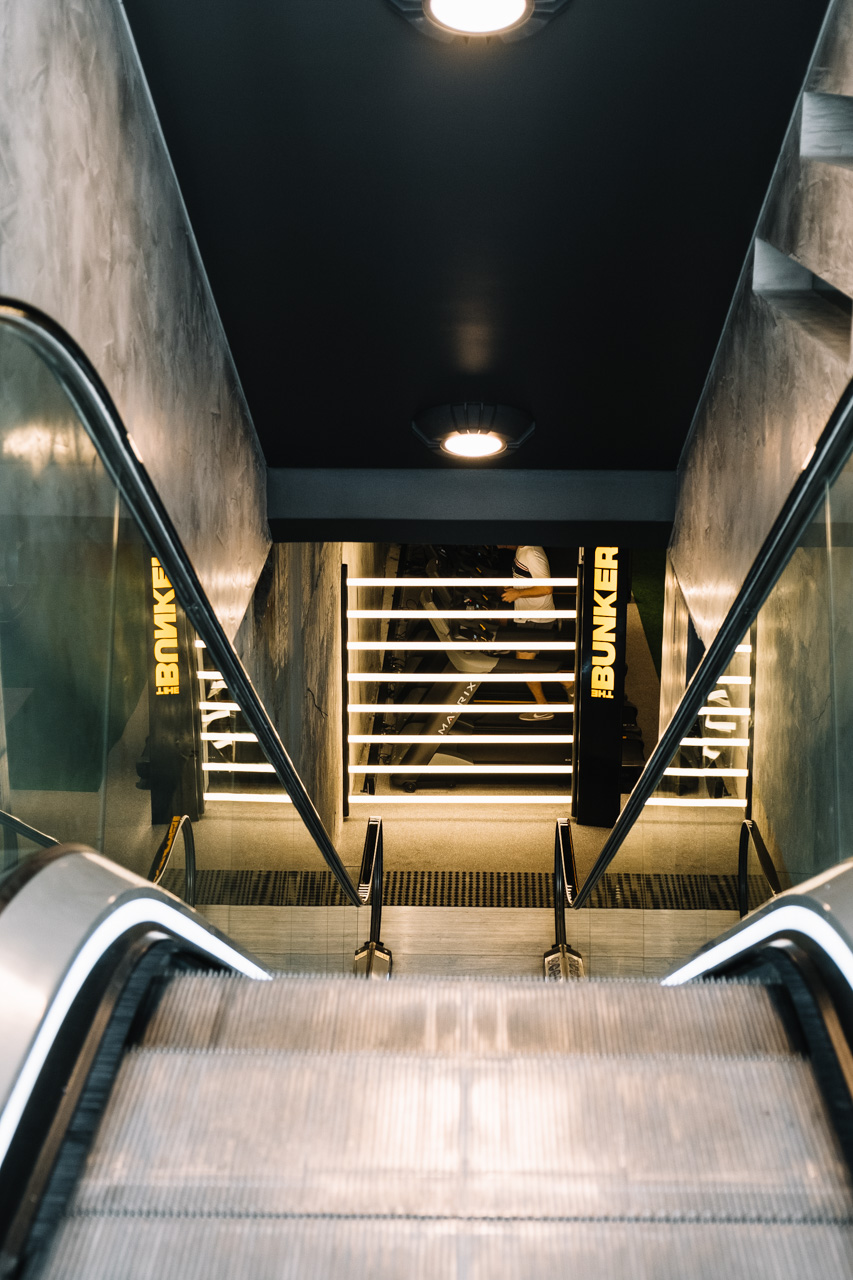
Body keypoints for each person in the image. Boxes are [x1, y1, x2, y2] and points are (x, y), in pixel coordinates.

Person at [497, 545, 572, 721]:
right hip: (528, 617)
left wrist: (517, 593)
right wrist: (513, 585)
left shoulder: (532, 553)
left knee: (525, 665)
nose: (499, 544)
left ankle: (544, 706)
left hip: (536, 617)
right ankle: (569, 685)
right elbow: (528, 577)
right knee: (526, 664)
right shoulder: (522, 549)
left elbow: (546, 588)